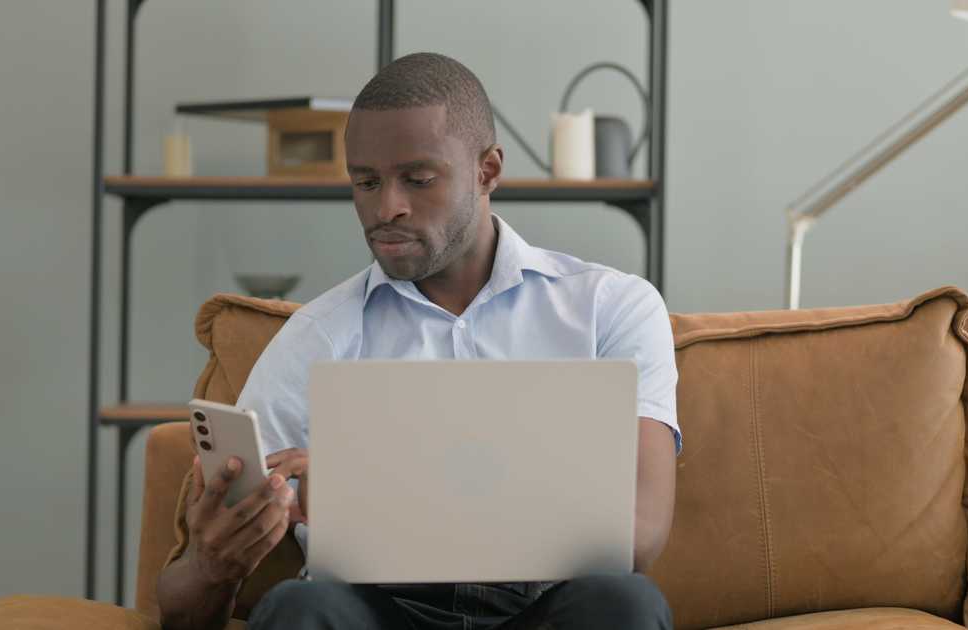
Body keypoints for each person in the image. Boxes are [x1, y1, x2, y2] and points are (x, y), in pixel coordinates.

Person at [158, 52, 679, 630]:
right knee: (297, 607)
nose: (387, 208)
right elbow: (183, 608)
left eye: (418, 179)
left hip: (544, 611)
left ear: (487, 171)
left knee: (626, 603)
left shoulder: (610, 308)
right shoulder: (316, 338)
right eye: (366, 182)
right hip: (380, 613)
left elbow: (640, 536)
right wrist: (212, 561)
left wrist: (370, 490)